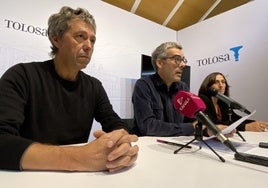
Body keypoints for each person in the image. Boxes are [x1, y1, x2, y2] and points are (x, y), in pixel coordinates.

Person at [0, 6, 138, 172]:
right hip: (30, 176)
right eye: (80, 37)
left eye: (92, 40)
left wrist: (121, 142)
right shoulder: (22, 75)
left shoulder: (94, 86)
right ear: (56, 39)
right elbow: (2, 140)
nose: (89, 46)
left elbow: (114, 122)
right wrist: (79, 157)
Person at [131, 42, 196, 136]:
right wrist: (190, 128)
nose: (183, 65)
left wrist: (206, 128)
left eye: (183, 60)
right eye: (177, 59)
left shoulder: (183, 87)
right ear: (160, 63)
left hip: (176, 143)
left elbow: (192, 119)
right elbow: (148, 127)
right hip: (148, 146)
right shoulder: (143, 85)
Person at [198, 72, 268, 132]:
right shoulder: (202, 99)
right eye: (217, 82)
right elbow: (211, 122)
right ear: (208, 86)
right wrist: (245, 127)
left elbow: (235, 118)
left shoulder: (224, 101)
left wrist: (255, 123)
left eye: (223, 82)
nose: (221, 85)